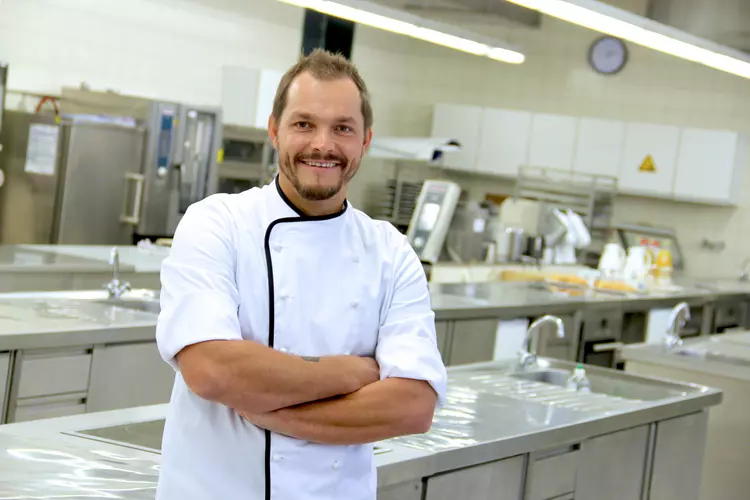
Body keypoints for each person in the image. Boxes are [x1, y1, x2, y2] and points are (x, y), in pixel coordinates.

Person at [155, 48, 448, 500]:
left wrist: (272, 412)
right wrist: (354, 373)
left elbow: (413, 406)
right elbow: (212, 371)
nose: (323, 145)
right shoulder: (218, 223)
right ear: (275, 130)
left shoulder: (390, 251)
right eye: (304, 124)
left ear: (365, 140)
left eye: (343, 129)